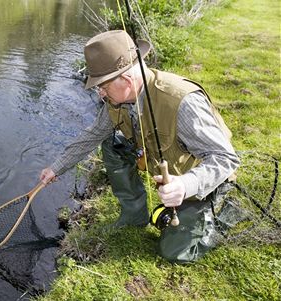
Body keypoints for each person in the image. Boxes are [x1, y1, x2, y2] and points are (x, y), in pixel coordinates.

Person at [39, 30, 240, 263]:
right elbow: (93, 134)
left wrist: (185, 185)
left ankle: (225, 211)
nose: (100, 93)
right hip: (161, 165)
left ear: (125, 80)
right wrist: (56, 167)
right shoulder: (116, 100)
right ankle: (134, 215)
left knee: (175, 252)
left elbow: (226, 158)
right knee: (112, 143)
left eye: (101, 86)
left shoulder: (182, 102)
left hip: (202, 181)